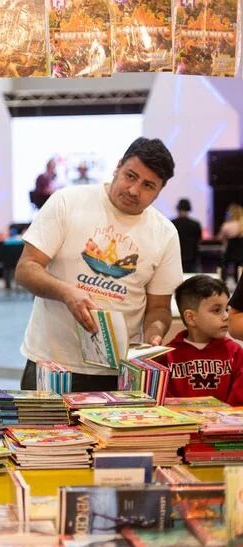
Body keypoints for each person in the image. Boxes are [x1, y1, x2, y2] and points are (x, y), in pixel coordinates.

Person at [16, 137, 182, 392]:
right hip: (51, 362)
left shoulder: (165, 233)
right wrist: (66, 293)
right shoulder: (67, 202)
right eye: (130, 176)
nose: (134, 190)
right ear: (117, 167)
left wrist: (155, 334)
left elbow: (159, 307)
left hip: (119, 369)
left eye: (148, 185)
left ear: (159, 191)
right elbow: (27, 268)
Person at [159, 275, 242, 404]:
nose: (226, 316)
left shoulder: (235, 352)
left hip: (226, 423)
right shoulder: (167, 356)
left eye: (226, 309)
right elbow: (164, 400)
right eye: (216, 310)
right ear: (191, 317)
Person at [172, 198, 202, 273]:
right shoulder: (196, 224)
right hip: (192, 258)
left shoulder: (171, 223)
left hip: (176, 257)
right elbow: (199, 240)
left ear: (178, 208)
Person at [218, 203, 243, 282]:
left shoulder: (226, 226)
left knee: (221, 260)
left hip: (228, 254)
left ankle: (222, 281)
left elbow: (219, 238)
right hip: (241, 255)